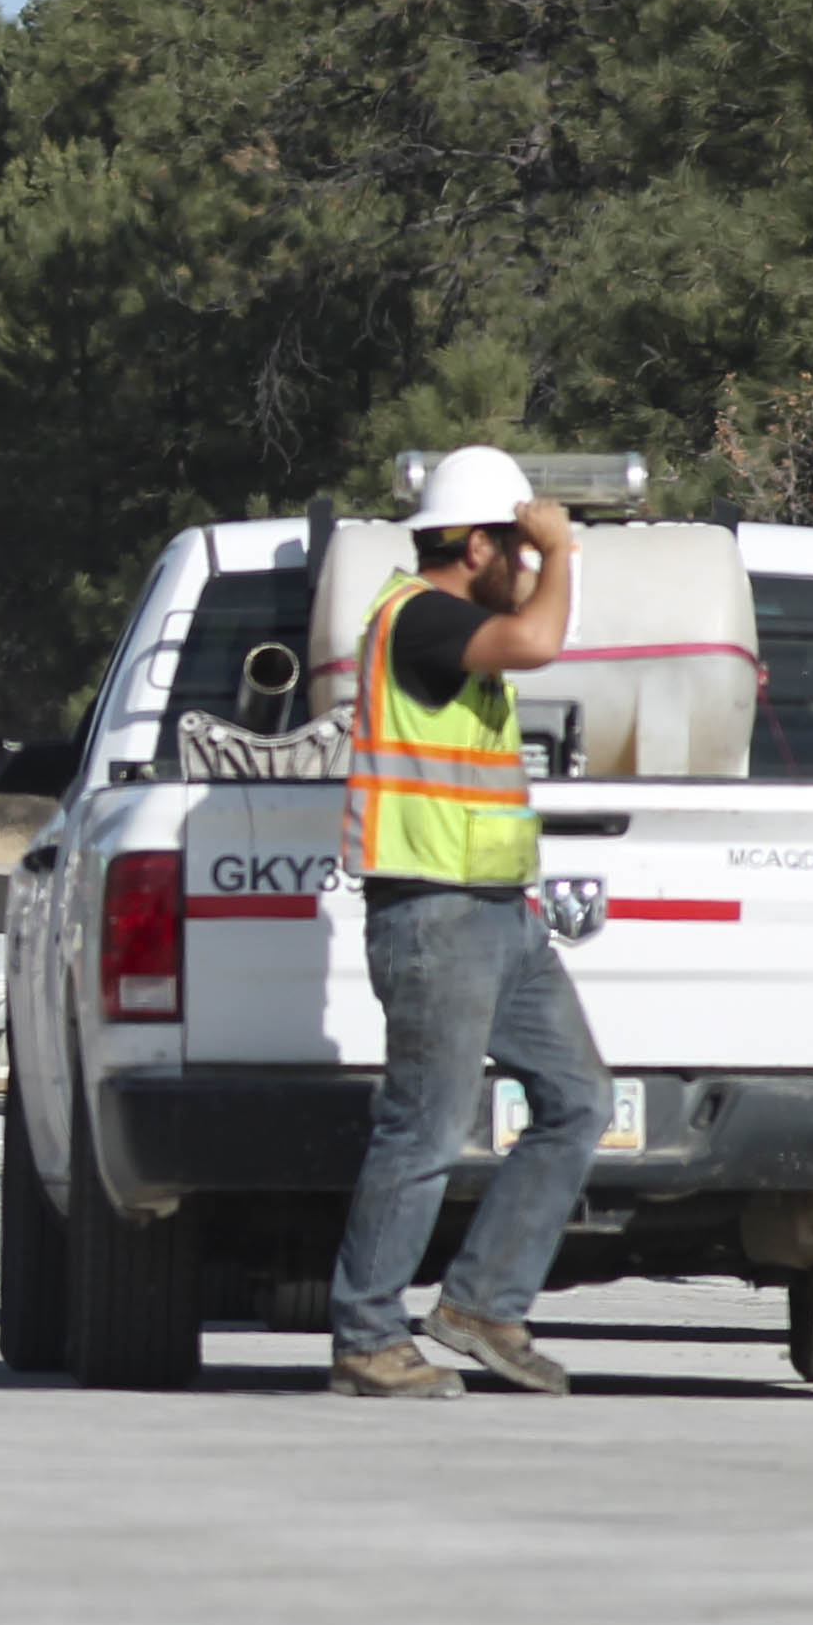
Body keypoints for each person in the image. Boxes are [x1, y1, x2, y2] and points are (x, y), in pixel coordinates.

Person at [325, 446, 608, 1400]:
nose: (529, 568)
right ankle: (367, 1335)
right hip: (433, 915)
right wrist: (562, 552)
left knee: (577, 1102)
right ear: (480, 544)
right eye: (518, 550)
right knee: (425, 1131)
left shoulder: (456, 622)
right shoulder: (421, 620)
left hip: (500, 915)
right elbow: (538, 641)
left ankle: (482, 1304)